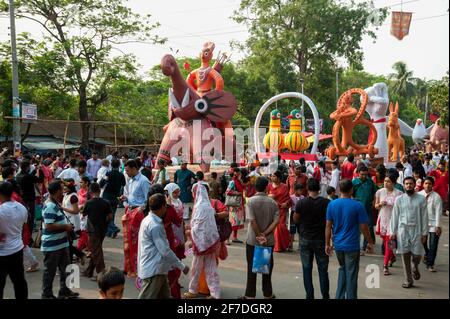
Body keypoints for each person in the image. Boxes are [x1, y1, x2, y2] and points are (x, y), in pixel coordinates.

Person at [325, 179, 373, 299]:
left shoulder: (332, 204)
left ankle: (339, 296)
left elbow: (328, 226)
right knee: (351, 273)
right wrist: (370, 242)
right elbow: (364, 227)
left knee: (343, 269)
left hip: (338, 245)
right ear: (351, 189)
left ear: (339, 190)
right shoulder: (358, 205)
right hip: (352, 245)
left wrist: (327, 244)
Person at [137, 194, 189, 299]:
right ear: (162, 207)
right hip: (154, 270)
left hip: (157, 268)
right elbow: (165, 251)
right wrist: (181, 266)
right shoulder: (154, 225)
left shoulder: (148, 220)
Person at [240, 176, 279, 299]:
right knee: (267, 266)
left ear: (255, 187)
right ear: (267, 187)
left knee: (251, 266)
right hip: (268, 240)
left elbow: (252, 221)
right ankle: (268, 293)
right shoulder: (273, 203)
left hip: (253, 239)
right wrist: (265, 234)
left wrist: (258, 235)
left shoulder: (250, 201)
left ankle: (250, 295)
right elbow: (276, 221)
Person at [40, 181, 79, 299]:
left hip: (62, 243)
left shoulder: (55, 203)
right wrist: (65, 227)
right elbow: (48, 226)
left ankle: (65, 291)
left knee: (66, 268)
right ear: (57, 191)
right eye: (61, 189)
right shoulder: (50, 206)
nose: (63, 191)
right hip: (52, 245)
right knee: (50, 271)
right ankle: (46, 294)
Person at [294, 178, 330, 299]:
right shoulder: (326, 203)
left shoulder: (301, 203)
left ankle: (310, 295)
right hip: (321, 239)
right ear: (319, 189)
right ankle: (325, 295)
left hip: (305, 238)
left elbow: (296, 219)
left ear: (308, 189)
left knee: (306, 269)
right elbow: (330, 222)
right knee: (323, 270)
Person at [183, 184, 221, 299]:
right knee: (211, 267)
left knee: (196, 267)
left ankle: (193, 290)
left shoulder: (199, 207)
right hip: (210, 242)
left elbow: (198, 226)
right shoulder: (208, 206)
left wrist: (190, 232)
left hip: (200, 242)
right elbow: (208, 225)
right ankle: (215, 293)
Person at [390, 176, 428, 288]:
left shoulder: (421, 199)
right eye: (406, 183)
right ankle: (408, 280)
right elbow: (394, 216)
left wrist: (424, 233)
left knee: (417, 254)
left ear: (414, 184)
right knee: (405, 255)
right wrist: (393, 231)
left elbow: (424, 216)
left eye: (411, 183)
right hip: (403, 230)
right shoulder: (399, 199)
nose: (408, 185)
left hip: (417, 230)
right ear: (404, 185)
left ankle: (415, 265)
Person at [150, 184, 184, 298]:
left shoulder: (146, 214)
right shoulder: (169, 209)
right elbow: (178, 221)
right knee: (170, 271)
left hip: (151, 250)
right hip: (167, 243)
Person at [120, 159, 150, 277]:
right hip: (129, 211)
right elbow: (131, 196)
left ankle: (137, 269)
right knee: (127, 242)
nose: (126, 173)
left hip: (138, 214)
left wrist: (139, 210)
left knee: (136, 243)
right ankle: (128, 267)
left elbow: (148, 199)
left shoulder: (144, 181)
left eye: (127, 170)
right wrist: (125, 198)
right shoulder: (131, 180)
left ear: (134, 169)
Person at [0, 182, 28, 299]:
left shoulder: (1, 210)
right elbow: (24, 227)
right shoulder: (21, 208)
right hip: (17, 250)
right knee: (19, 281)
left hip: (2, 253)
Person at [82, 183, 112, 281]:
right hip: (102, 229)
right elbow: (110, 216)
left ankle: (102, 274)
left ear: (90, 192)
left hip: (92, 230)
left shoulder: (89, 203)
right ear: (99, 190)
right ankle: (89, 271)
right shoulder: (106, 202)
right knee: (96, 250)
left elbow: (83, 214)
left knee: (96, 252)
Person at [374, 175, 403, 276]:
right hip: (383, 219)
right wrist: (381, 204)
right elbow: (376, 206)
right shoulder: (380, 192)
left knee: (389, 242)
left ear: (394, 183)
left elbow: (402, 208)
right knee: (386, 241)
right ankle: (392, 256)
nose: (386, 183)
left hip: (393, 220)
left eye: (389, 181)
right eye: (385, 181)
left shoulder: (399, 193)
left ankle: (385, 265)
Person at [419, 177, 442, 272]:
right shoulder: (419, 195)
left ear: (432, 185)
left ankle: (430, 264)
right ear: (423, 184)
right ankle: (428, 254)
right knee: (422, 242)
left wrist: (437, 226)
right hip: (422, 223)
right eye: (426, 183)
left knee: (433, 244)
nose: (427, 185)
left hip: (433, 224)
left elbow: (438, 212)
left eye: (429, 183)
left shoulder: (436, 197)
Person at [352, 165, 377, 253]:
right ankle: (356, 247)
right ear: (358, 174)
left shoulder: (370, 182)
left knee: (369, 227)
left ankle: (366, 246)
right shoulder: (354, 182)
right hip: (357, 209)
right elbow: (351, 195)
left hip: (368, 208)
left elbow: (375, 192)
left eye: (365, 175)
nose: (364, 176)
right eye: (362, 174)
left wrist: (374, 201)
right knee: (357, 228)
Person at [61, 179, 86, 264]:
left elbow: (76, 211)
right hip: (66, 221)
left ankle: (71, 261)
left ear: (70, 188)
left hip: (72, 223)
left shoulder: (73, 197)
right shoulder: (66, 195)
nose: (64, 188)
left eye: (65, 187)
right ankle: (80, 255)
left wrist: (62, 208)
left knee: (68, 243)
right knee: (67, 243)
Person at [15, 160, 44, 233]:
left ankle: (24, 234)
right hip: (30, 199)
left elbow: (30, 176)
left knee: (23, 218)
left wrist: (35, 170)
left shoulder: (18, 175)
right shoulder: (28, 176)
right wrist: (40, 170)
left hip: (21, 199)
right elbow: (40, 180)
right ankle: (29, 235)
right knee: (30, 218)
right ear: (27, 167)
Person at [100, 159, 126, 238]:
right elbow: (124, 184)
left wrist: (106, 180)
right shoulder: (121, 175)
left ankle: (113, 228)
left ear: (111, 165)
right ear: (118, 165)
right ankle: (110, 231)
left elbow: (101, 184)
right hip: (115, 196)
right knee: (112, 214)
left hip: (107, 196)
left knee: (106, 214)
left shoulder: (108, 174)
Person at [267, 171, 291, 253]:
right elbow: (265, 196)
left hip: (281, 210)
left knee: (280, 227)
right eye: (271, 176)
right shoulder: (269, 186)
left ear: (278, 177)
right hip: (271, 209)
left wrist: (286, 203)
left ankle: (280, 246)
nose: (272, 177)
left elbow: (288, 198)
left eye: (274, 176)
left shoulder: (284, 186)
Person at [225, 167, 246, 244]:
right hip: (234, 205)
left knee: (236, 221)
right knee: (232, 221)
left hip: (238, 204)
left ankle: (234, 237)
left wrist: (240, 180)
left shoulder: (239, 181)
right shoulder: (232, 182)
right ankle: (227, 238)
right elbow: (227, 191)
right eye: (239, 173)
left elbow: (244, 187)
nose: (240, 174)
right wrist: (237, 193)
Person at [77, 176, 91, 253]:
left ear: (86, 183)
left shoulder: (89, 193)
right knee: (83, 232)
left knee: (83, 233)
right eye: (80, 182)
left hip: (87, 215)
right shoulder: (79, 192)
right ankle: (89, 248)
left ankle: (78, 250)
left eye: (81, 182)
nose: (80, 184)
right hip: (80, 214)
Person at [288, 184, 304, 251]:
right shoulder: (291, 197)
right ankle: (290, 245)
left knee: (300, 231)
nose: (301, 192)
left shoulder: (303, 197)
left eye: (302, 190)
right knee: (292, 231)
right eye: (300, 190)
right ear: (295, 190)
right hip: (293, 213)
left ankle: (300, 246)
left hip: (301, 215)